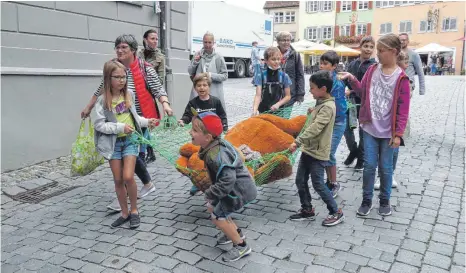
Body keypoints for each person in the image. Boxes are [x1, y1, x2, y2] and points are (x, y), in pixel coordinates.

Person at [81, 34, 173, 205]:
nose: (119, 50)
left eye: (124, 47)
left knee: (131, 158)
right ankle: (142, 187)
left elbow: (159, 89)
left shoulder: (145, 68)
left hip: (138, 120)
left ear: (133, 50)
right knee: (131, 157)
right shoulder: (113, 69)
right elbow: (102, 89)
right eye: (117, 47)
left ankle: (127, 196)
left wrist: (166, 105)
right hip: (118, 121)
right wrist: (89, 107)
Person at [340, 34, 410, 216]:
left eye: (381, 50)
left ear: (393, 52)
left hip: (389, 132)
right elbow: (362, 92)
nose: (377, 54)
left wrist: (398, 134)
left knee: (386, 168)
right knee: (369, 166)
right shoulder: (372, 70)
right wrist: (352, 79)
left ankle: (385, 200)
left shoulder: (401, 78)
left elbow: (403, 109)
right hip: (370, 128)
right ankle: (366, 200)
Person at [94, 61, 159, 228]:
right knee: (118, 180)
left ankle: (135, 210)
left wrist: (146, 122)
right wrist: (120, 127)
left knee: (128, 177)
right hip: (113, 144)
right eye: (117, 77)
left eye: (124, 77)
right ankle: (124, 213)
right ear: (108, 78)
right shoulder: (102, 101)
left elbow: (134, 117)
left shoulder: (129, 94)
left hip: (130, 141)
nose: (122, 80)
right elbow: (99, 125)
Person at [190, 110, 257, 262]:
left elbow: (228, 180)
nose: (190, 132)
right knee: (219, 211)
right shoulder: (213, 146)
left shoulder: (217, 155)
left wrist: (210, 194)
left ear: (207, 137)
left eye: (195, 130)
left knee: (217, 217)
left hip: (238, 191)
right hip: (234, 190)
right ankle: (235, 233)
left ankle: (241, 246)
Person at [288, 70, 344, 226]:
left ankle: (336, 212)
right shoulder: (321, 103)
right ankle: (307, 209)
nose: (310, 90)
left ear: (323, 89)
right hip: (309, 149)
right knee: (300, 180)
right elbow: (316, 119)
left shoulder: (328, 107)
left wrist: (297, 141)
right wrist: (312, 112)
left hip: (318, 153)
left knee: (318, 184)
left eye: (312, 88)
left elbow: (316, 128)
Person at [179, 73, 229, 196]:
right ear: (195, 87)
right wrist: (183, 120)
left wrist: (225, 126)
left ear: (209, 87)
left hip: (214, 138)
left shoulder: (215, 102)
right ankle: (198, 182)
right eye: (199, 85)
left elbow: (222, 116)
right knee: (200, 160)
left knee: (215, 160)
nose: (202, 88)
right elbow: (187, 115)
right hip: (200, 139)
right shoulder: (193, 103)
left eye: (204, 85)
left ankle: (218, 180)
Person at [343, 36, 377, 171]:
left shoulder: (374, 66)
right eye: (366, 46)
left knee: (364, 132)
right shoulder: (352, 64)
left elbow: (370, 86)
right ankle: (354, 150)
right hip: (351, 103)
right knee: (347, 130)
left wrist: (351, 91)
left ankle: (361, 158)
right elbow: (345, 80)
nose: (368, 49)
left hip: (365, 103)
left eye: (371, 47)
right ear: (360, 47)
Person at [319, 51, 347, 198]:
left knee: (329, 152)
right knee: (325, 152)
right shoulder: (321, 79)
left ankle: (334, 183)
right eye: (321, 63)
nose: (321, 66)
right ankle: (329, 181)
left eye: (325, 64)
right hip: (326, 121)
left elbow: (335, 104)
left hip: (337, 121)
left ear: (334, 66)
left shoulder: (336, 83)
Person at [138, 29, 166, 165]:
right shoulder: (137, 54)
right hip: (135, 94)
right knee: (141, 123)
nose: (155, 41)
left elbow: (160, 79)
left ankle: (144, 152)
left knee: (146, 124)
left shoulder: (160, 57)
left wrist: (147, 87)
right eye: (152, 38)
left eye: (156, 39)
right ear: (145, 39)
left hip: (148, 95)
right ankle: (148, 150)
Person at [188, 32, 228, 108]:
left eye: (210, 42)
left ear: (213, 43)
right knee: (198, 116)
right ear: (202, 42)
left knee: (212, 117)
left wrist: (210, 75)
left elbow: (225, 76)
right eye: (205, 42)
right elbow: (190, 71)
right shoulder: (198, 54)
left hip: (214, 94)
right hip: (198, 93)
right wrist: (195, 62)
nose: (207, 45)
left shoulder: (218, 57)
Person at [252, 47, 292, 116]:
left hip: (278, 112)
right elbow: (258, 95)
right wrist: (254, 110)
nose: (276, 62)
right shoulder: (260, 76)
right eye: (273, 59)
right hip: (263, 111)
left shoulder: (284, 76)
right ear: (266, 60)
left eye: (278, 59)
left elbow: (288, 96)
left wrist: (278, 104)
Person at [276, 31, 305, 117]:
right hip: (275, 93)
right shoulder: (272, 53)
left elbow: (300, 75)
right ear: (278, 41)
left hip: (290, 93)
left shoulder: (295, 55)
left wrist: (300, 94)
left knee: (285, 118)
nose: (286, 42)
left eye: (288, 40)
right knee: (275, 118)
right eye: (283, 40)